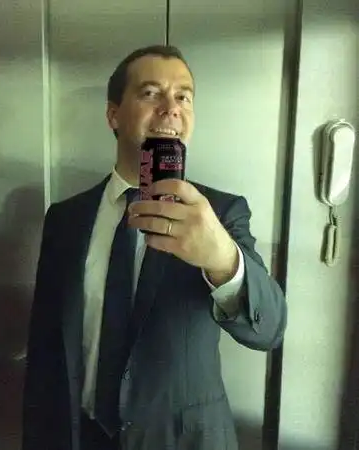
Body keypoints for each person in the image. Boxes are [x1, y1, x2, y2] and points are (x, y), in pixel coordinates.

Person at [22, 45, 287, 450]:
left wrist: (222, 258)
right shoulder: (65, 219)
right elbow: (44, 347)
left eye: (183, 96)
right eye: (150, 93)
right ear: (114, 115)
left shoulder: (219, 214)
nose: (171, 108)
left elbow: (268, 330)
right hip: (79, 436)